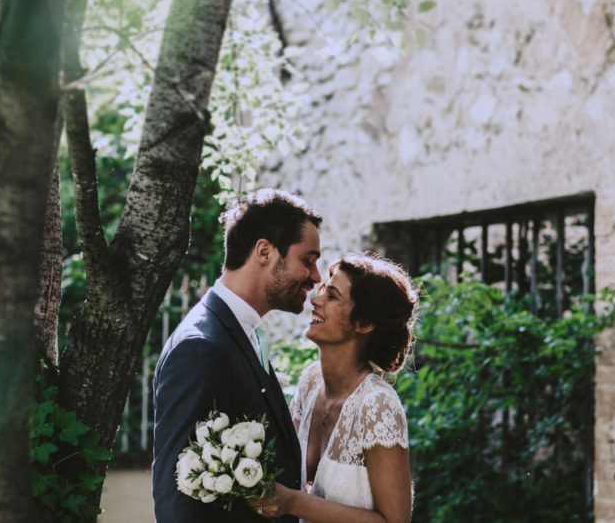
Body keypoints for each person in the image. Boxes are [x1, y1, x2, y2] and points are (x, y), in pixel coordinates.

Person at [152, 189, 323, 523]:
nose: (316, 277)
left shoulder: (241, 332)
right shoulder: (201, 347)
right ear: (264, 252)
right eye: (308, 260)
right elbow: (177, 499)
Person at [251, 252, 417, 523]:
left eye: (332, 296)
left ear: (364, 324)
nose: (315, 301)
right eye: (322, 291)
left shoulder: (377, 405)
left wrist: (295, 502)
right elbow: (285, 471)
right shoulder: (311, 381)